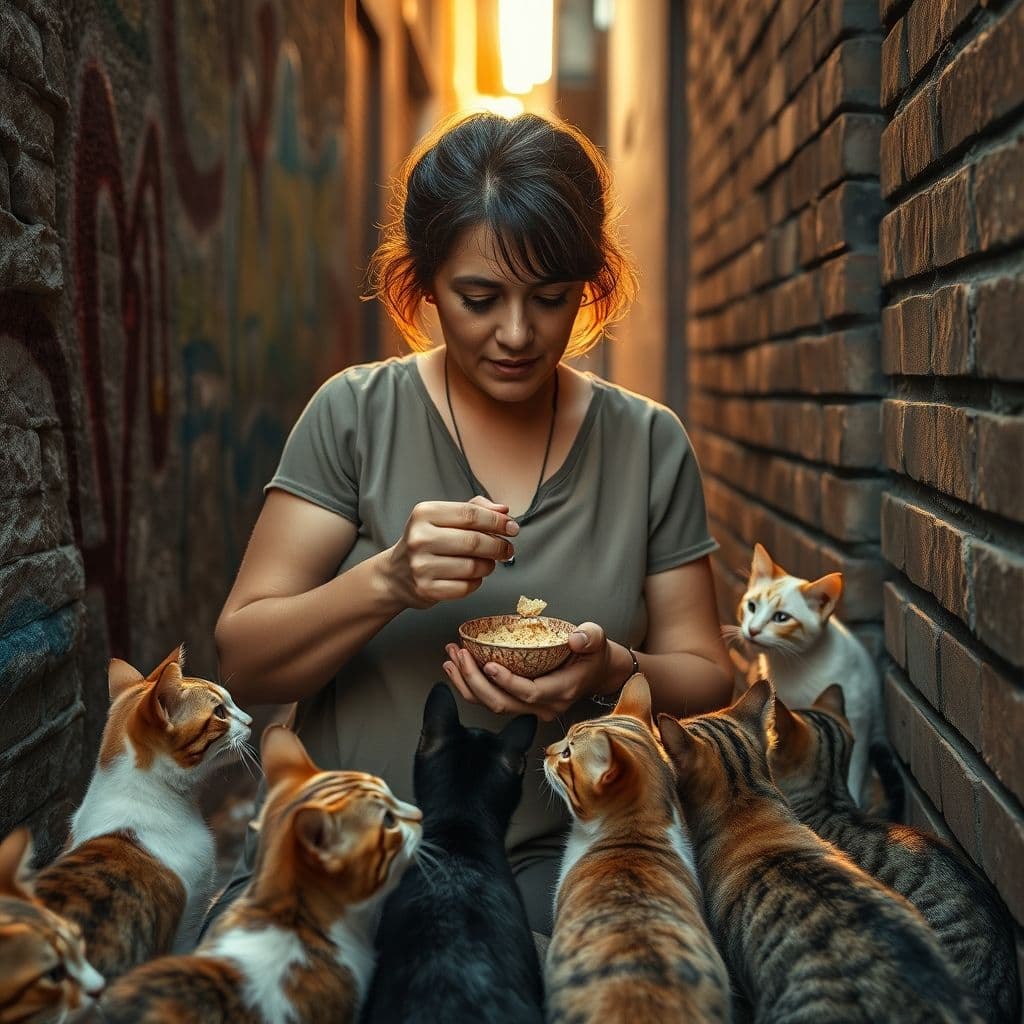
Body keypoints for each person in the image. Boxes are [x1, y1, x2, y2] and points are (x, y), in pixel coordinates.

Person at [209, 111, 733, 936]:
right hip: (342, 860)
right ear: (422, 286)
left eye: (550, 300)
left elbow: (707, 675)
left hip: (551, 872)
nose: (517, 335)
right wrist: (387, 580)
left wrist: (608, 669)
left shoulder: (647, 442)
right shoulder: (355, 415)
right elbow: (244, 662)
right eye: (480, 299)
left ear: (590, 287)